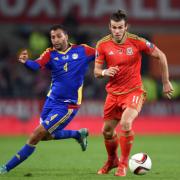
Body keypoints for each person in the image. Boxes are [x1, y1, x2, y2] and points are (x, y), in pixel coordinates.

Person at [0, 24, 95, 174]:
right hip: (51, 101)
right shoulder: (50, 54)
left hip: (67, 105)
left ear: (66, 36)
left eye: (58, 36)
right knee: (45, 136)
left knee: (35, 136)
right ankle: (78, 134)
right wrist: (26, 62)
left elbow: (103, 54)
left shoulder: (83, 50)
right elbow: (36, 65)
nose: (55, 40)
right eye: (52, 37)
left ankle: (5, 168)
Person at [94, 10, 174, 177]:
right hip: (113, 94)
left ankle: (123, 164)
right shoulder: (102, 44)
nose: (117, 30)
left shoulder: (136, 41)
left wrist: (166, 81)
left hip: (134, 91)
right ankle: (112, 161)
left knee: (126, 123)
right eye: (114, 27)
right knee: (107, 132)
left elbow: (161, 55)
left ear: (126, 27)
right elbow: (96, 71)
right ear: (110, 27)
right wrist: (104, 72)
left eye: (120, 27)